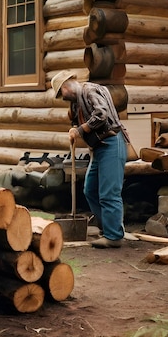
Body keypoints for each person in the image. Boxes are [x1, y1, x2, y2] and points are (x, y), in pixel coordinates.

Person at [51, 70, 128, 248]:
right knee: (90, 190)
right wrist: (74, 129)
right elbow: (77, 123)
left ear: (66, 86)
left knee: (109, 192)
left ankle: (114, 236)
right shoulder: (76, 102)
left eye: (61, 92)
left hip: (111, 143)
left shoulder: (89, 91)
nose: (62, 97)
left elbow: (101, 114)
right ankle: (108, 227)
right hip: (98, 147)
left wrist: (79, 130)